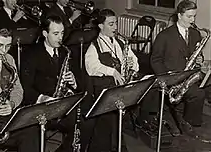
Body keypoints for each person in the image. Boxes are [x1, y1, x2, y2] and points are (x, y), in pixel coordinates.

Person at [21, 15, 93, 152]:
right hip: (40, 106)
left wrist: (74, 82)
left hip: (63, 105)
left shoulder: (67, 52)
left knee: (88, 121)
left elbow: (82, 83)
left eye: (62, 33)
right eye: (55, 34)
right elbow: (26, 88)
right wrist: (43, 98)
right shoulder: (30, 54)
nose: (60, 38)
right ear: (44, 34)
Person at [150, 0, 209, 139]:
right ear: (179, 15)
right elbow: (155, 60)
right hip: (172, 78)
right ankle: (187, 124)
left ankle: (189, 122)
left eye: (194, 16)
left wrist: (200, 58)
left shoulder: (195, 34)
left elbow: (196, 53)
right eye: (189, 16)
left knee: (204, 89)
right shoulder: (164, 35)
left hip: (189, 75)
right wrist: (166, 77)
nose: (193, 20)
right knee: (198, 94)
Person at [84, 8, 139, 152]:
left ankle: (118, 145)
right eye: (111, 24)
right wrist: (112, 71)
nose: (115, 27)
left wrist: (133, 65)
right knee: (108, 124)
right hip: (104, 91)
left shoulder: (120, 42)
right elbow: (91, 67)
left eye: (115, 23)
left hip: (120, 89)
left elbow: (135, 60)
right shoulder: (94, 46)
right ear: (101, 26)